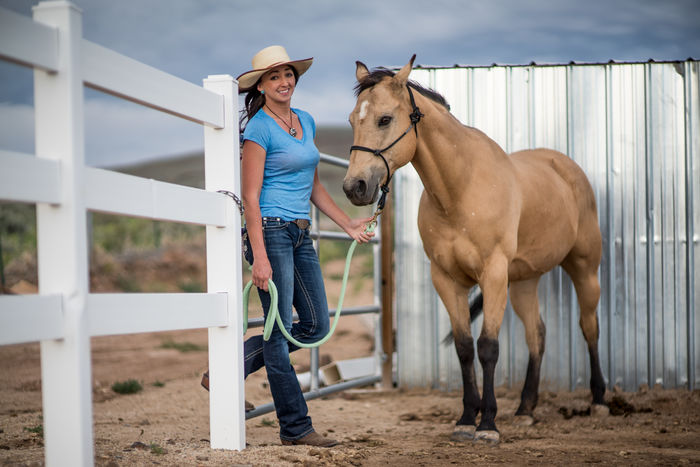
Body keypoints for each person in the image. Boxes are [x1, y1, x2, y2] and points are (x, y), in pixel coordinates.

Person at [204, 45, 375, 448]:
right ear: (261, 85)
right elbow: (250, 196)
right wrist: (258, 256)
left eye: (288, 75)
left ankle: (228, 367)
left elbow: (314, 186)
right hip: (271, 230)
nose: (284, 82)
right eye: (274, 76)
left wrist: (347, 222)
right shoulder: (259, 129)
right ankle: (296, 429)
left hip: (301, 233)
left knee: (315, 323)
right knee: (278, 334)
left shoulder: (307, 122)